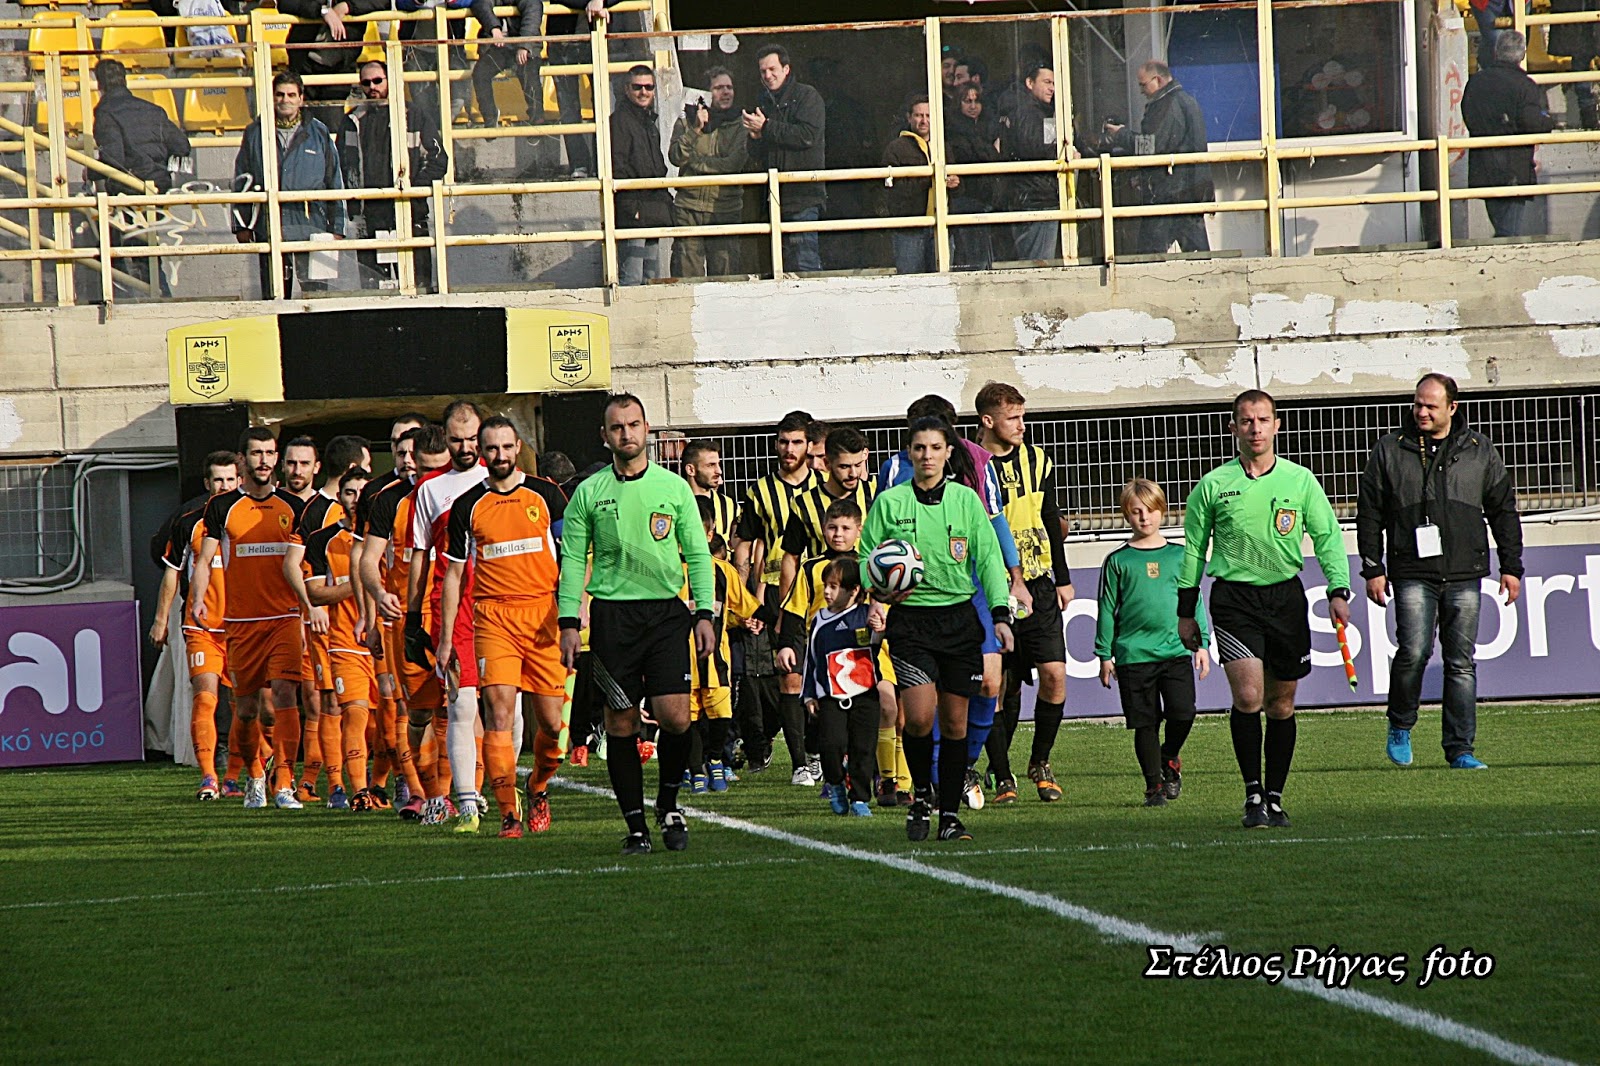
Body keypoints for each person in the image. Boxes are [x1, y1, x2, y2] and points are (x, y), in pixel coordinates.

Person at [1177, 390, 1352, 830]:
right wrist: (1185, 608)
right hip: (1235, 600)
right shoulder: (1213, 485)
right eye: (1246, 421)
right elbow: (1194, 549)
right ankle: (1252, 793)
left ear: (1276, 425)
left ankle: (1275, 798)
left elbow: (1327, 536)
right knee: (1249, 697)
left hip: (1285, 599)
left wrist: (1338, 589)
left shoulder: (1300, 481)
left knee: (1281, 703)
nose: (1255, 428)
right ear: (1233, 428)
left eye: (1262, 420)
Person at [556, 394, 717, 855]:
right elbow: (573, 560)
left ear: (646, 429)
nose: (626, 433)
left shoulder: (674, 488)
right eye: (617, 427)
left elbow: (698, 553)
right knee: (622, 723)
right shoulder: (589, 492)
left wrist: (704, 613)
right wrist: (569, 621)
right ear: (604, 436)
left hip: (666, 614)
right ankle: (635, 826)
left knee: (676, 717)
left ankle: (668, 804)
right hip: (613, 619)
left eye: (633, 424)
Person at [1357, 373, 1523, 770]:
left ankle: (1460, 749)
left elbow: (1503, 510)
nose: (1422, 412)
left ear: (1452, 407)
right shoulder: (1390, 449)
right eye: (1418, 404)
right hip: (1412, 569)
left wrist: (1511, 566)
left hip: (1465, 570)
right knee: (1414, 652)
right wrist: (1372, 567)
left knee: (1461, 663)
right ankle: (1400, 724)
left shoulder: (1479, 449)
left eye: (1431, 406)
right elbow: (1370, 512)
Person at [860, 416, 1014, 843]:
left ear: (948, 452)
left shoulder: (966, 501)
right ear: (909, 453)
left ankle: (948, 815)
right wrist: (882, 588)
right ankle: (922, 797)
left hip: (959, 621)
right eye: (919, 448)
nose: (927, 455)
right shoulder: (890, 503)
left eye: (934, 447)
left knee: (955, 723)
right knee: (919, 718)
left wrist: (1000, 615)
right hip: (911, 623)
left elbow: (988, 559)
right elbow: (865, 555)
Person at [437, 417, 569, 836]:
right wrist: (445, 639)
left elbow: (574, 556)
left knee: (551, 725)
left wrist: (575, 610)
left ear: (518, 449)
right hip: (493, 619)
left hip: (543, 617)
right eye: (492, 448)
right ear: (481, 451)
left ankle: (538, 785)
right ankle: (508, 814)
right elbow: (454, 575)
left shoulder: (547, 495)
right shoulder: (467, 505)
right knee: (498, 714)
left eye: (507, 447)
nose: (500, 455)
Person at [187, 428, 309, 811]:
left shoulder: (294, 506)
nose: (264, 461)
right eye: (256, 453)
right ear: (242, 459)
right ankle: (255, 776)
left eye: (270, 453)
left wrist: (310, 607)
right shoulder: (222, 507)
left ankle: (284, 783)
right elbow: (204, 560)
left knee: (284, 697)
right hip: (241, 623)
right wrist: (198, 599)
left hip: (285, 617)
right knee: (246, 710)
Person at [974, 382, 1073, 804]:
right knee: (997, 686)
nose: (1021, 426)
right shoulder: (971, 466)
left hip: (1039, 582)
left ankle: (1040, 761)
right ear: (988, 421)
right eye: (1013, 418)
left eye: (1022, 416)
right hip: (992, 588)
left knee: (1054, 676)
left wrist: (1063, 577)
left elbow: (1050, 518)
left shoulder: (1038, 460)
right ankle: (1002, 774)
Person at [1097, 478, 1210, 807]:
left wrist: (1201, 644)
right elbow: (1106, 608)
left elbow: (1193, 601)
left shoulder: (1180, 555)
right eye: (1136, 512)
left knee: (1183, 712)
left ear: (1162, 511)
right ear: (1126, 515)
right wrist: (1104, 654)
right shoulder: (1118, 561)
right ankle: (1153, 787)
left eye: (1150, 510)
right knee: (1145, 723)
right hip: (1133, 655)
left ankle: (1169, 756)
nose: (1144, 517)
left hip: (1175, 651)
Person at [364, 424, 455, 824]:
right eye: (425, 468)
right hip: (407, 619)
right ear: (412, 462)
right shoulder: (390, 501)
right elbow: (368, 560)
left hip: (454, 616)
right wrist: (378, 594)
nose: (432, 477)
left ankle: (455, 795)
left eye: (440, 468)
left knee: (457, 708)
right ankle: (425, 793)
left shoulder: (463, 493)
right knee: (418, 713)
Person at [406, 401, 489, 828]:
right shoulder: (430, 489)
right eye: (457, 440)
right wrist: (412, 615)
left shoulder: (503, 481)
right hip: (452, 607)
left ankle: (505, 788)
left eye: (472, 438)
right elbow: (420, 556)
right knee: (459, 704)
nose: (466, 447)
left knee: (505, 708)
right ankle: (465, 801)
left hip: (500, 604)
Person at [734, 411, 819, 779]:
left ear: (809, 446)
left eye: (797, 442)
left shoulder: (825, 487)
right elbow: (745, 543)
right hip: (772, 593)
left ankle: (814, 749)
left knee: (819, 675)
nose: (789, 449)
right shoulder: (760, 491)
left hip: (820, 593)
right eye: (783, 441)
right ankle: (800, 761)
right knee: (783, 676)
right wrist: (745, 598)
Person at [152, 451, 240, 799]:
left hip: (241, 626)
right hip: (201, 626)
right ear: (207, 483)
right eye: (218, 480)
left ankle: (237, 774)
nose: (224, 486)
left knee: (245, 706)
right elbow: (172, 572)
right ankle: (208, 776)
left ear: (240, 480)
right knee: (205, 697)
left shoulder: (248, 519)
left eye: (230, 479)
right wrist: (161, 619)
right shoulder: (189, 521)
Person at [303, 468, 379, 810]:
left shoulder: (387, 535)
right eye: (350, 492)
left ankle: (385, 785)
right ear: (339, 497)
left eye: (363, 492)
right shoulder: (323, 540)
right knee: (351, 712)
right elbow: (316, 593)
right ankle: (351, 789)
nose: (356, 499)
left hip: (385, 639)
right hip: (344, 640)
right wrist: (362, 582)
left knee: (387, 723)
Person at [232, 72, 346, 299]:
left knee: (317, 297)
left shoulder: (319, 132)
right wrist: (241, 225)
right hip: (270, 226)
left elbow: (334, 180)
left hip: (313, 227)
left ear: (301, 99)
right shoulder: (255, 132)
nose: (285, 100)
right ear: (272, 97)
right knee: (274, 296)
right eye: (280, 94)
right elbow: (242, 180)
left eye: (291, 95)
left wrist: (337, 227)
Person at [338, 61, 449, 293]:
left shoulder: (415, 115)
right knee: (373, 291)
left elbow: (439, 160)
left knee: (419, 288)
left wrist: (412, 191)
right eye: (366, 82)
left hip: (408, 213)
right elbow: (341, 167)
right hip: (369, 216)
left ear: (390, 80)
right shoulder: (351, 121)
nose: (372, 87)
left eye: (378, 81)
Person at [681, 496, 762, 793]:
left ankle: (715, 759)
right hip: (681, 659)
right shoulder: (669, 570)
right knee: (688, 717)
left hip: (717, 660)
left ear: (710, 534)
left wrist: (753, 619)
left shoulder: (723, 571)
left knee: (721, 714)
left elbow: (744, 606)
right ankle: (695, 770)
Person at [92, 58, 192, 298]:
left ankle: (154, 299)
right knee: (144, 253)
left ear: (99, 84)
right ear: (125, 80)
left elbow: (113, 159)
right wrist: (158, 165)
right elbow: (181, 145)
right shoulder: (152, 110)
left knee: (128, 253)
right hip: (157, 189)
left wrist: (91, 171)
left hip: (129, 191)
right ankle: (156, 297)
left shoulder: (106, 113)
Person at [800, 557, 881, 818]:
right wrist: (809, 694)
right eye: (826, 585)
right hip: (831, 696)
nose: (827, 591)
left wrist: (880, 629)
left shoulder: (867, 615)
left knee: (863, 748)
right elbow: (811, 659)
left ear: (854, 590)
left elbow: (877, 644)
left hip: (865, 694)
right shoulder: (819, 620)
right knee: (831, 745)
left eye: (834, 587)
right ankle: (835, 784)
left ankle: (859, 798)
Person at [1104, 61, 1211, 255]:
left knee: (1148, 255)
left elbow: (1151, 146)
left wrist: (1120, 135)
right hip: (1189, 190)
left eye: (1143, 85)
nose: (1141, 91)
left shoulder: (1167, 105)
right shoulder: (1185, 101)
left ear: (1158, 80)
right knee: (1198, 254)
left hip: (1168, 194)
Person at [1461, 31, 1554, 239]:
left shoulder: (1476, 82)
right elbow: (1531, 122)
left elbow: (1468, 116)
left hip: (1483, 164)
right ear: (1522, 54)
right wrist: (1549, 122)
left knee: (1503, 226)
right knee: (1508, 232)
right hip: (1514, 166)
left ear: (1496, 52)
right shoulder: (1525, 85)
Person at [743, 44, 827, 273]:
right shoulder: (763, 102)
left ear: (786, 68)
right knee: (777, 267)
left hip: (802, 197)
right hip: (772, 199)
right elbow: (757, 153)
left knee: (804, 263)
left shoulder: (808, 96)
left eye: (772, 69)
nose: (767, 75)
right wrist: (755, 137)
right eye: (763, 71)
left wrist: (766, 127)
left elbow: (807, 135)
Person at [669, 67, 749, 278]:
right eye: (719, 88)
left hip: (724, 209)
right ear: (705, 93)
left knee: (726, 278)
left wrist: (694, 163)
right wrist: (695, 130)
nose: (726, 92)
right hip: (688, 208)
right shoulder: (686, 120)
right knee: (687, 277)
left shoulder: (741, 124)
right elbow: (676, 156)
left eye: (729, 87)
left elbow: (733, 164)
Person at [882, 95, 959, 275]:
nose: (924, 120)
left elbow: (957, 189)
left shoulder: (942, 147)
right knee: (911, 283)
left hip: (941, 226)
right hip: (909, 229)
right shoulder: (895, 148)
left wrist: (955, 183)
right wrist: (931, 179)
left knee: (942, 282)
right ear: (909, 118)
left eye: (928, 115)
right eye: (918, 115)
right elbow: (895, 190)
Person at [611, 65, 672, 286]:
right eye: (638, 87)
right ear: (627, 89)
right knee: (633, 278)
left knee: (651, 279)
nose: (643, 92)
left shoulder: (648, 122)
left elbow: (657, 167)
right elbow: (617, 166)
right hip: (634, 212)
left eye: (649, 87)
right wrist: (631, 209)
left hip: (652, 210)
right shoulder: (619, 121)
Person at [1002, 62, 1063, 262]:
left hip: (1031, 195)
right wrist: (1064, 151)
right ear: (1030, 83)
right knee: (1038, 263)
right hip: (1037, 197)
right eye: (1046, 82)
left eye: (1054, 83)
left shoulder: (1031, 110)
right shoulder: (1028, 112)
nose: (1052, 88)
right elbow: (1033, 147)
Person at [944, 83, 999, 270]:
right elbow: (973, 157)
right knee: (972, 258)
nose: (973, 106)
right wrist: (991, 150)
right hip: (965, 200)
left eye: (977, 101)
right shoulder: (953, 131)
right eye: (967, 101)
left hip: (986, 199)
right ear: (958, 103)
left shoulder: (987, 126)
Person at [470, 0, 545, 131]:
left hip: (524, 46)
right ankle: (490, 118)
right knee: (480, 73)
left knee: (529, 72)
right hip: (499, 48)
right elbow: (480, 3)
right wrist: (494, 28)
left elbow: (533, 11)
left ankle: (537, 121)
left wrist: (524, 45)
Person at [1547, 1, 1600, 129]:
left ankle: (1588, 117)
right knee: (1580, 62)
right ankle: (1588, 116)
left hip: (1579, 22)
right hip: (1578, 24)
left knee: (1580, 63)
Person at [681, 439, 736, 544]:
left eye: (718, 464)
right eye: (710, 465)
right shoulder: (676, 504)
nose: (719, 471)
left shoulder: (730, 506)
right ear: (690, 470)